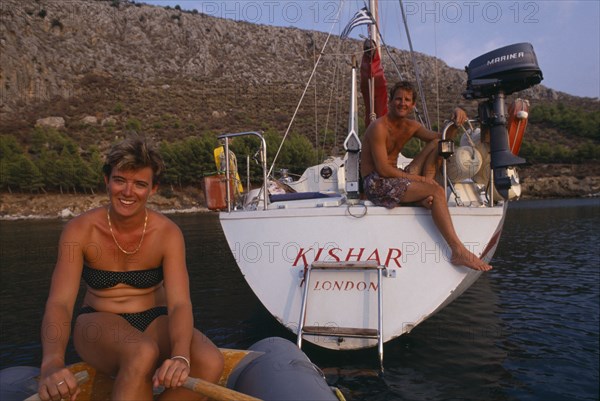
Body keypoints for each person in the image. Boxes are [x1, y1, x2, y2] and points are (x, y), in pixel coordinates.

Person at [38, 136, 224, 401]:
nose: (128, 192)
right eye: (120, 181)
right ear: (107, 180)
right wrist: (52, 362)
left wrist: (180, 356)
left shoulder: (167, 233)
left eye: (139, 184)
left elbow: (180, 304)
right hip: (98, 322)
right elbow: (60, 303)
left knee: (209, 360)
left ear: (153, 189)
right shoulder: (80, 230)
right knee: (141, 352)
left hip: (155, 320)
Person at [360, 81, 492, 272]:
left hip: (396, 179)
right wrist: (423, 181)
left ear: (413, 105)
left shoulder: (411, 126)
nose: (402, 103)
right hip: (376, 183)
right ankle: (458, 250)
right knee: (437, 191)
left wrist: (456, 119)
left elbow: (444, 138)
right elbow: (383, 170)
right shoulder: (378, 127)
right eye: (398, 99)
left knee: (437, 143)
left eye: (407, 100)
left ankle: (423, 195)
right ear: (390, 102)